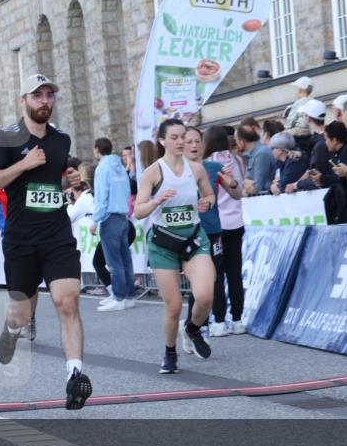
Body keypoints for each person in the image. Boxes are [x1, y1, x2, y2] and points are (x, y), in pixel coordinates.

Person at [0, 74, 89, 409]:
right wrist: (24, 164)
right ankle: (11, 332)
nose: (44, 101)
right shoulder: (7, 138)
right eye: (37, 95)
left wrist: (66, 178)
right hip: (21, 239)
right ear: (23, 100)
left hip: (56, 234)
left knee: (67, 301)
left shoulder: (61, 140)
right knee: (22, 315)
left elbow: (50, 179)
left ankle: (75, 376)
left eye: (49, 95)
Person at [134, 118, 217, 374]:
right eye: (174, 137)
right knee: (174, 305)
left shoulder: (197, 169)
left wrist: (207, 203)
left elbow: (210, 195)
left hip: (193, 238)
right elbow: (138, 211)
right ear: (162, 141)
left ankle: (192, 329)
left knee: (205, 295)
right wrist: (157, 201)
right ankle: (170, 352)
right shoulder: (153, 172)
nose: (181, 141)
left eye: (184, 136)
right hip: (164, 243)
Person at [204, 126, 245, 334]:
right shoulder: (236, 159)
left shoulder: (208, 164)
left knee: (217, 274)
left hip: (217, 225)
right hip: (237, 222)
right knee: (235, 272)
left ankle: (219, 321)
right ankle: (238, 319)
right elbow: (240, 189)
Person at [92, 137, 135, 312]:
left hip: (110, 217)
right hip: (123, 216)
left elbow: (102, 196)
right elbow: (127, 190)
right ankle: (129, 296)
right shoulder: (119, 167)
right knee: (125, 260)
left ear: (97, 150)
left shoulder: (103, 168)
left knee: (114, 261)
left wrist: (95, 220)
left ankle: (118, 296)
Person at [240, 126, 274, 195]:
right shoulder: (251, 154)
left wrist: (246, 190)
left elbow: (257, 187)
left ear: (242, 141)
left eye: (236, 140)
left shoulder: (261, 153)